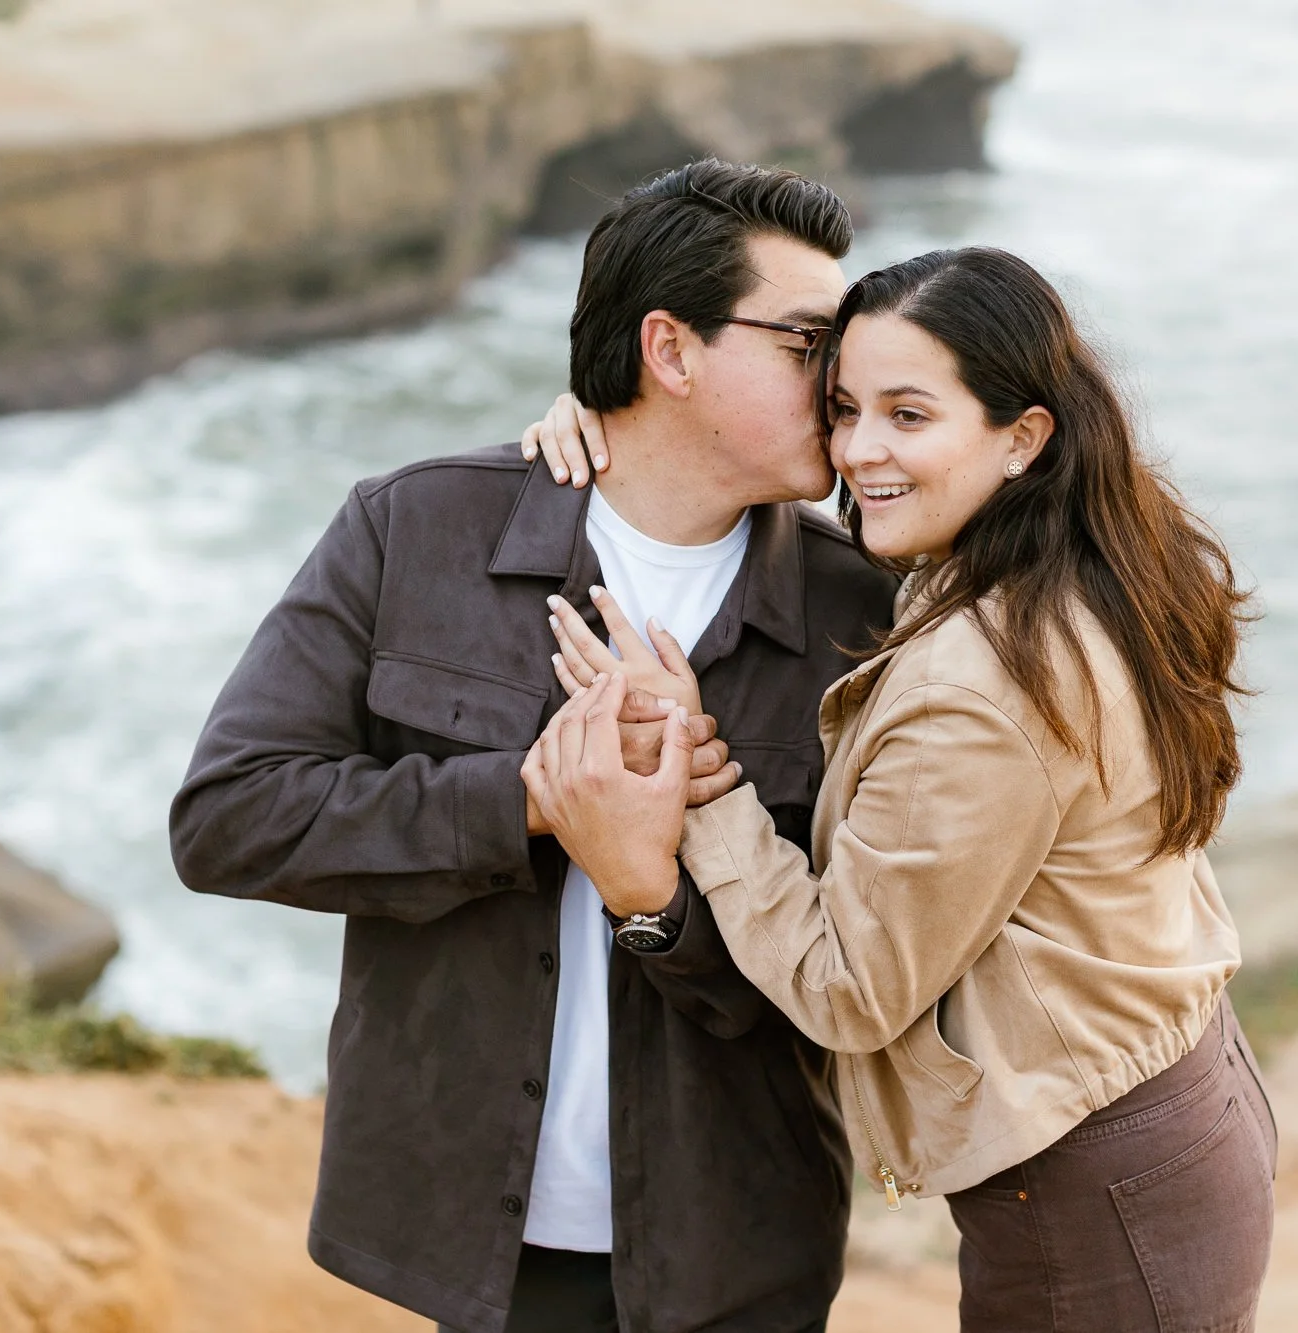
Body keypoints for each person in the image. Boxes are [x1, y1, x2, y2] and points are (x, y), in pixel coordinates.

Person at [170, 160, 896, 1332]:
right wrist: (535, 800)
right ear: (669, 350)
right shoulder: (413, 527)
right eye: (809, 343)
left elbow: (860, 973)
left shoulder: (869, 611)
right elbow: (229, 817)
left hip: (739, 1241)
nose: (845, 380)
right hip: (474, 1235)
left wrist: (650, 888)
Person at [526, 247, 1277, 1331]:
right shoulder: (1076, 562)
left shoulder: (982, 689)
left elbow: (848, 990)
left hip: (1090, 1186)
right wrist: (625, 431)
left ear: (1021, 436)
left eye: (908, 416)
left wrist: (701, 774)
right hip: (1171, 1102)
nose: (859, 450)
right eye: (841, 408)